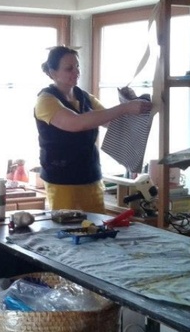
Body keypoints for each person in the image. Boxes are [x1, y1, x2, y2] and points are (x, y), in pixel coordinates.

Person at [34, 46, 153, 213]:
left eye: (77, 66)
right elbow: (76, 123)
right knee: (67, 225)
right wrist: (125, 108)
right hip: (62, 180)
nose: (76, 72)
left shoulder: (85, 97)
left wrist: (131, 104)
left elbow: (110, 121)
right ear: (53, 73)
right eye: (69, 68)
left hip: (91, 176)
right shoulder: (46, 101)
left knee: (96, 225)